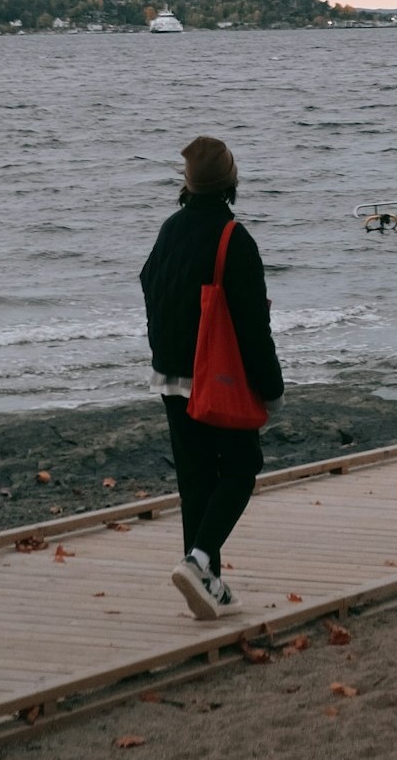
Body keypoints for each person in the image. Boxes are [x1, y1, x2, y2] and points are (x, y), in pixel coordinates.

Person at [139, 135, 284, 620]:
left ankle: (209, 586)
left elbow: (148, 286)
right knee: (242, 467)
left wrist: (163, 351)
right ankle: (199, 562)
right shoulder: (233, 238)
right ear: (231, 181)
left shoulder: (168, 229)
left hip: (170, 376)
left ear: (189, 182)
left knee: (196, 480)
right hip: (217, 381)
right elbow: (252, 326)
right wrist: (271, 387)